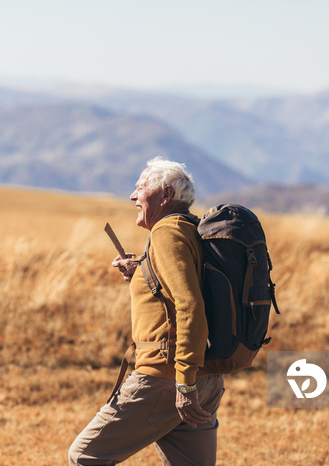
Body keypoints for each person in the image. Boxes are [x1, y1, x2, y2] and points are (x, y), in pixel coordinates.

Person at [69, 157, 225, 465]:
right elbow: (184, 289)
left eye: (141, 187)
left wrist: (185, 382)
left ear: (165, 195)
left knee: (84, 457)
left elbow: (190, 305)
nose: (132, 195)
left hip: (167, 377)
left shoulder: (167, 233)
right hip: (206, 377)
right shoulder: (191, 229)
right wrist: (140, 271)